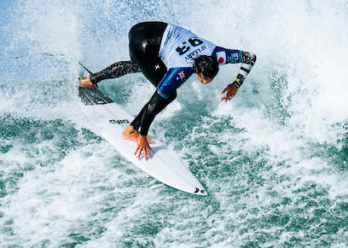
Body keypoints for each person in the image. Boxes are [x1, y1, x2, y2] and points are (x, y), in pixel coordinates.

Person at [79, 21, 257, 160]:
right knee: (169, 94)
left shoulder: (219, 54)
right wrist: (143, 134)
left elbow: (250, 57)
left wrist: (236, 83)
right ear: (196, 70)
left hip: (142, 29)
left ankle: (90, 80)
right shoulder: (181, 69)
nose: (205, 82)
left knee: (140, 66)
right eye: (203, 79)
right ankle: (131, 131)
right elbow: (154, 103)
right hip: (144, 42)